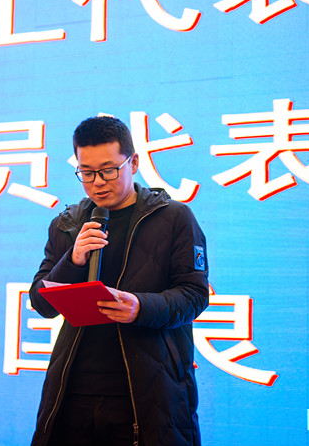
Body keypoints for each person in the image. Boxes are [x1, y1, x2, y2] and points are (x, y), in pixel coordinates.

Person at [29, 116, 210, 446]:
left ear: (134, 163)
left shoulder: (173, 218)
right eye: (87, 173)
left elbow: (194, 295)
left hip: (147, 393)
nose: (98, 182)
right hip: (72, 393)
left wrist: (140, 307)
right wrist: (73, 260)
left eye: (109, 170)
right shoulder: (67, 224)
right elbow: (42, 302)